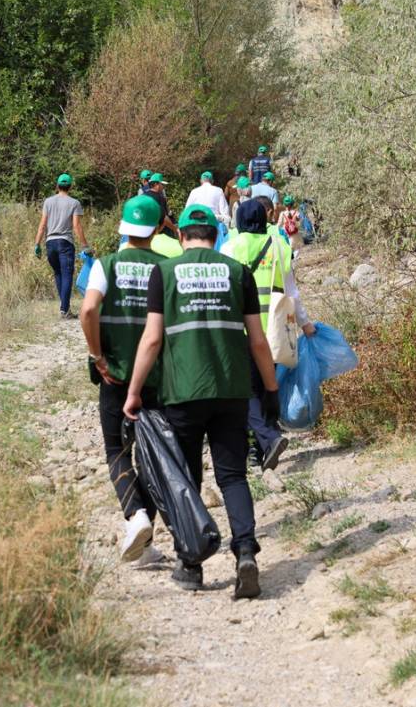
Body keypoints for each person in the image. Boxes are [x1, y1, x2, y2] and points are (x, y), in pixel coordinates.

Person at [123, 204, 279, 600]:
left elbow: (153, 339)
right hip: (231, 388)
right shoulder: (237, 272)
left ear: (181, 236)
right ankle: (245, 552)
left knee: (187, 480)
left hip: (184, 392)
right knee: (233, 476)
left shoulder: (165, 273)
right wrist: (271, 388)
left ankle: (190, 564)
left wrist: (135, 391)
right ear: (215, 235)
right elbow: (258, 340)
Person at [80, 195, 171, 566]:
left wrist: (97, 354)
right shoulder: (167, 267)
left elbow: (88, 309)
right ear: (159, 227)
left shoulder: (107, 265)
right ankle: (146, 540)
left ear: (123, 226)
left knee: (116, 450)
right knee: (150, 451)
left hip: (114, 374)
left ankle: (136, 516)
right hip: (157, 376)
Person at [222, 199, 315, 478]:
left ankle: (261, 444)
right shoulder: (279, 246)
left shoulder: (230, 247)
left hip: (242, 329)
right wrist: (305, 323)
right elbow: (291, 292)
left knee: (247, 390)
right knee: (268, 386)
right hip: (274, 329)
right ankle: (266, 443)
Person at [35, 173, 92, 319]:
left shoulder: (48, 202)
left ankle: (64, 307)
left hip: (50, 243)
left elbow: (42, 225)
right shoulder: (74, 203)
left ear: (57, 186)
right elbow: (76, 226)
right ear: (70, 186)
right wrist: (85, 245)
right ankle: (64, 310)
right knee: (67, 275)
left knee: (58, 273)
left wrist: (37, 244)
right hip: (65, 243)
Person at [145, 172, 180, 238]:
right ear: (156, 184)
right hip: (161, 234)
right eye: (162, 184)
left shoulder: (143, 196)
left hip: (146, 232)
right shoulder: (160, 198)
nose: (163, 187)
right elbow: (164, 218)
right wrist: (176, 230)